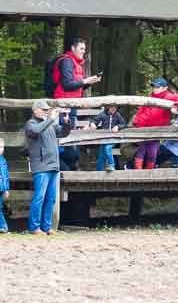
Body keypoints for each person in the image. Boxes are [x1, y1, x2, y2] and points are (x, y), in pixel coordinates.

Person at [51, 37, 101, 171]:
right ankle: (63, 168)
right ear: (73, 48)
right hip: (63, 105)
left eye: (85, 49)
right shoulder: (67, 61)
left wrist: (88, 82)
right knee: (64, 137)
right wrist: (85, 81)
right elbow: (67, 85)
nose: (83, 51)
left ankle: (68, 167)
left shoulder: (77, 63)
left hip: (71, 105)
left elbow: (75, 87)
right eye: (81, 48)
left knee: (68, 136)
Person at [25, 100, 71, 235]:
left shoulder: (50, 123)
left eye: (47, 110)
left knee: (51, 198)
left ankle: (46, 227)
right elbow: (35, 132)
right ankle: (34, 227)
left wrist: (67, 123)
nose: (46, 112)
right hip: (40, 166)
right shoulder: (31, 124)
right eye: (43, 109)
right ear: (35, 110)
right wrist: (50, 119)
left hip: (53, 165)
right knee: (39, 197)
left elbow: (63, 133)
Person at [131, 78, 178, 170]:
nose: (155, 88)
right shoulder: (150, 97)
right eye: (153, 86)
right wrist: (137, 121)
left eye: (157, 87)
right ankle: (138, 171)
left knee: (152, 152)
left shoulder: (167, 96)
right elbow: (142, 110)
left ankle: (149, 171)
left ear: (165, 88)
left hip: (156, 130)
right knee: (142, 150)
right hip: (142, 128)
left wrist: (177, 105)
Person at [90, 104, 125, 171]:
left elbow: (123, 124)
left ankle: (111, 165)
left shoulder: (117, 115)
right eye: (112, 107)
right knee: (101, 156)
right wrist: (92, 123)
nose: (113, 108)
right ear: (108, 107)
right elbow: (95, 120)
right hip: (104, 138)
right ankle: (99, 171)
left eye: (115, 107)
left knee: (107, 148)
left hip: (113, 138)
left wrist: (118, 126)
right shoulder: (103, 114)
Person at [0, 139, 10, 233]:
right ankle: (3, 227)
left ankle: (3, 227)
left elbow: (6, 176)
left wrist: (6, 189)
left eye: (2, 147)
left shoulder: (3, 160)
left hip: (2, 189)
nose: (1, 149)